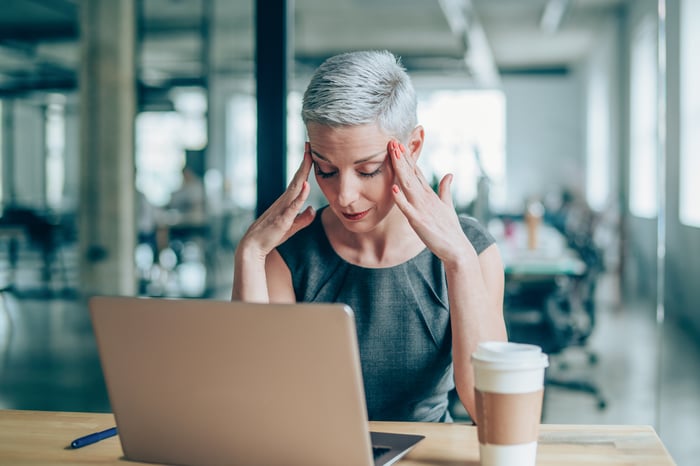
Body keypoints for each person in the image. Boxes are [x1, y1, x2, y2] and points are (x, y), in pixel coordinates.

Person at [232, 50, 506, 423]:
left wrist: (458, 261)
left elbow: (491, 411)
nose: (344, 195)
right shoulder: (290, 256)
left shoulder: (472, 250)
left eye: (369, 170)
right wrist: (250, 254)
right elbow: (257, 406)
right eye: (326, 171)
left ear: (411, 149)